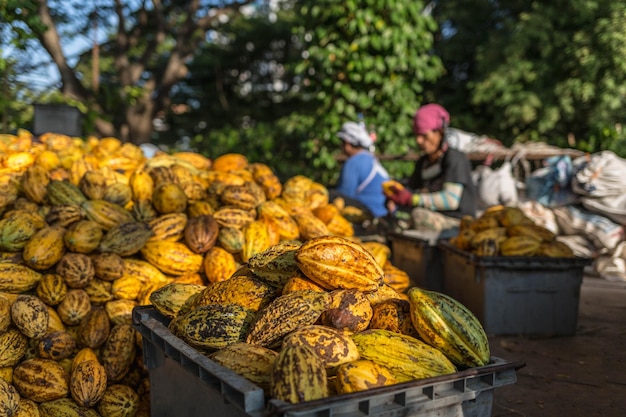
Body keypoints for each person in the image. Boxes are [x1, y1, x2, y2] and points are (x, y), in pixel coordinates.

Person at [386, 103, 477, 232]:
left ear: (440, 132)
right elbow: (412, 187)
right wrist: (395, 196)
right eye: (417, 135)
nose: (419, 141)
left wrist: (412, 199)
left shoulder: (455, 159)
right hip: (433, 216)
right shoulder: (423, 162)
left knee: (418, 215)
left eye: (424, 135)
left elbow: (451, 200)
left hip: (458, 222)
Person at [332, 121, 390, 219]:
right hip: (384, 211)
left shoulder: (352, 163)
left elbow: (344, 195)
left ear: (347, 143)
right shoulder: (369, 157)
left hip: (370, 212)